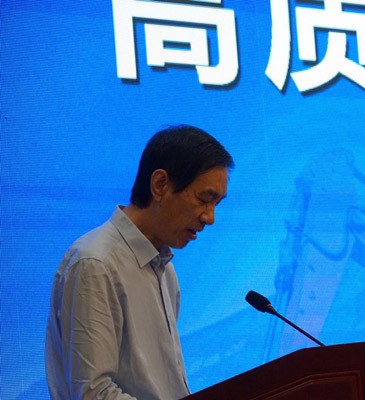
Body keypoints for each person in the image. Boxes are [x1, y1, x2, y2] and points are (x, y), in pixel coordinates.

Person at [45, 125, 234, 399]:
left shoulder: (165, 270)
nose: (210, 218)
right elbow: (93, 393)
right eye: (204, 199)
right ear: (160, 185)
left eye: (217, 204)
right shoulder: (95, 263)